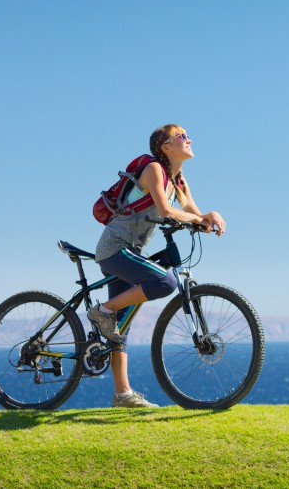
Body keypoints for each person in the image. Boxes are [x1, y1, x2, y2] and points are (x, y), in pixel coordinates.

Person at [90, 123, 228, 408]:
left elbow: (191, 211)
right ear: (166, 147)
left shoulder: (178, 180)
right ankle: (100, 312)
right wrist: (198, 219)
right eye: (182, 137)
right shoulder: (153, 169)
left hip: (132, 252)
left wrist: (208, 217)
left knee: (120, 326)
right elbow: (166, 210)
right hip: (115, 249)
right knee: (166, 282)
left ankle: (122, 395)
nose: (189, 140)